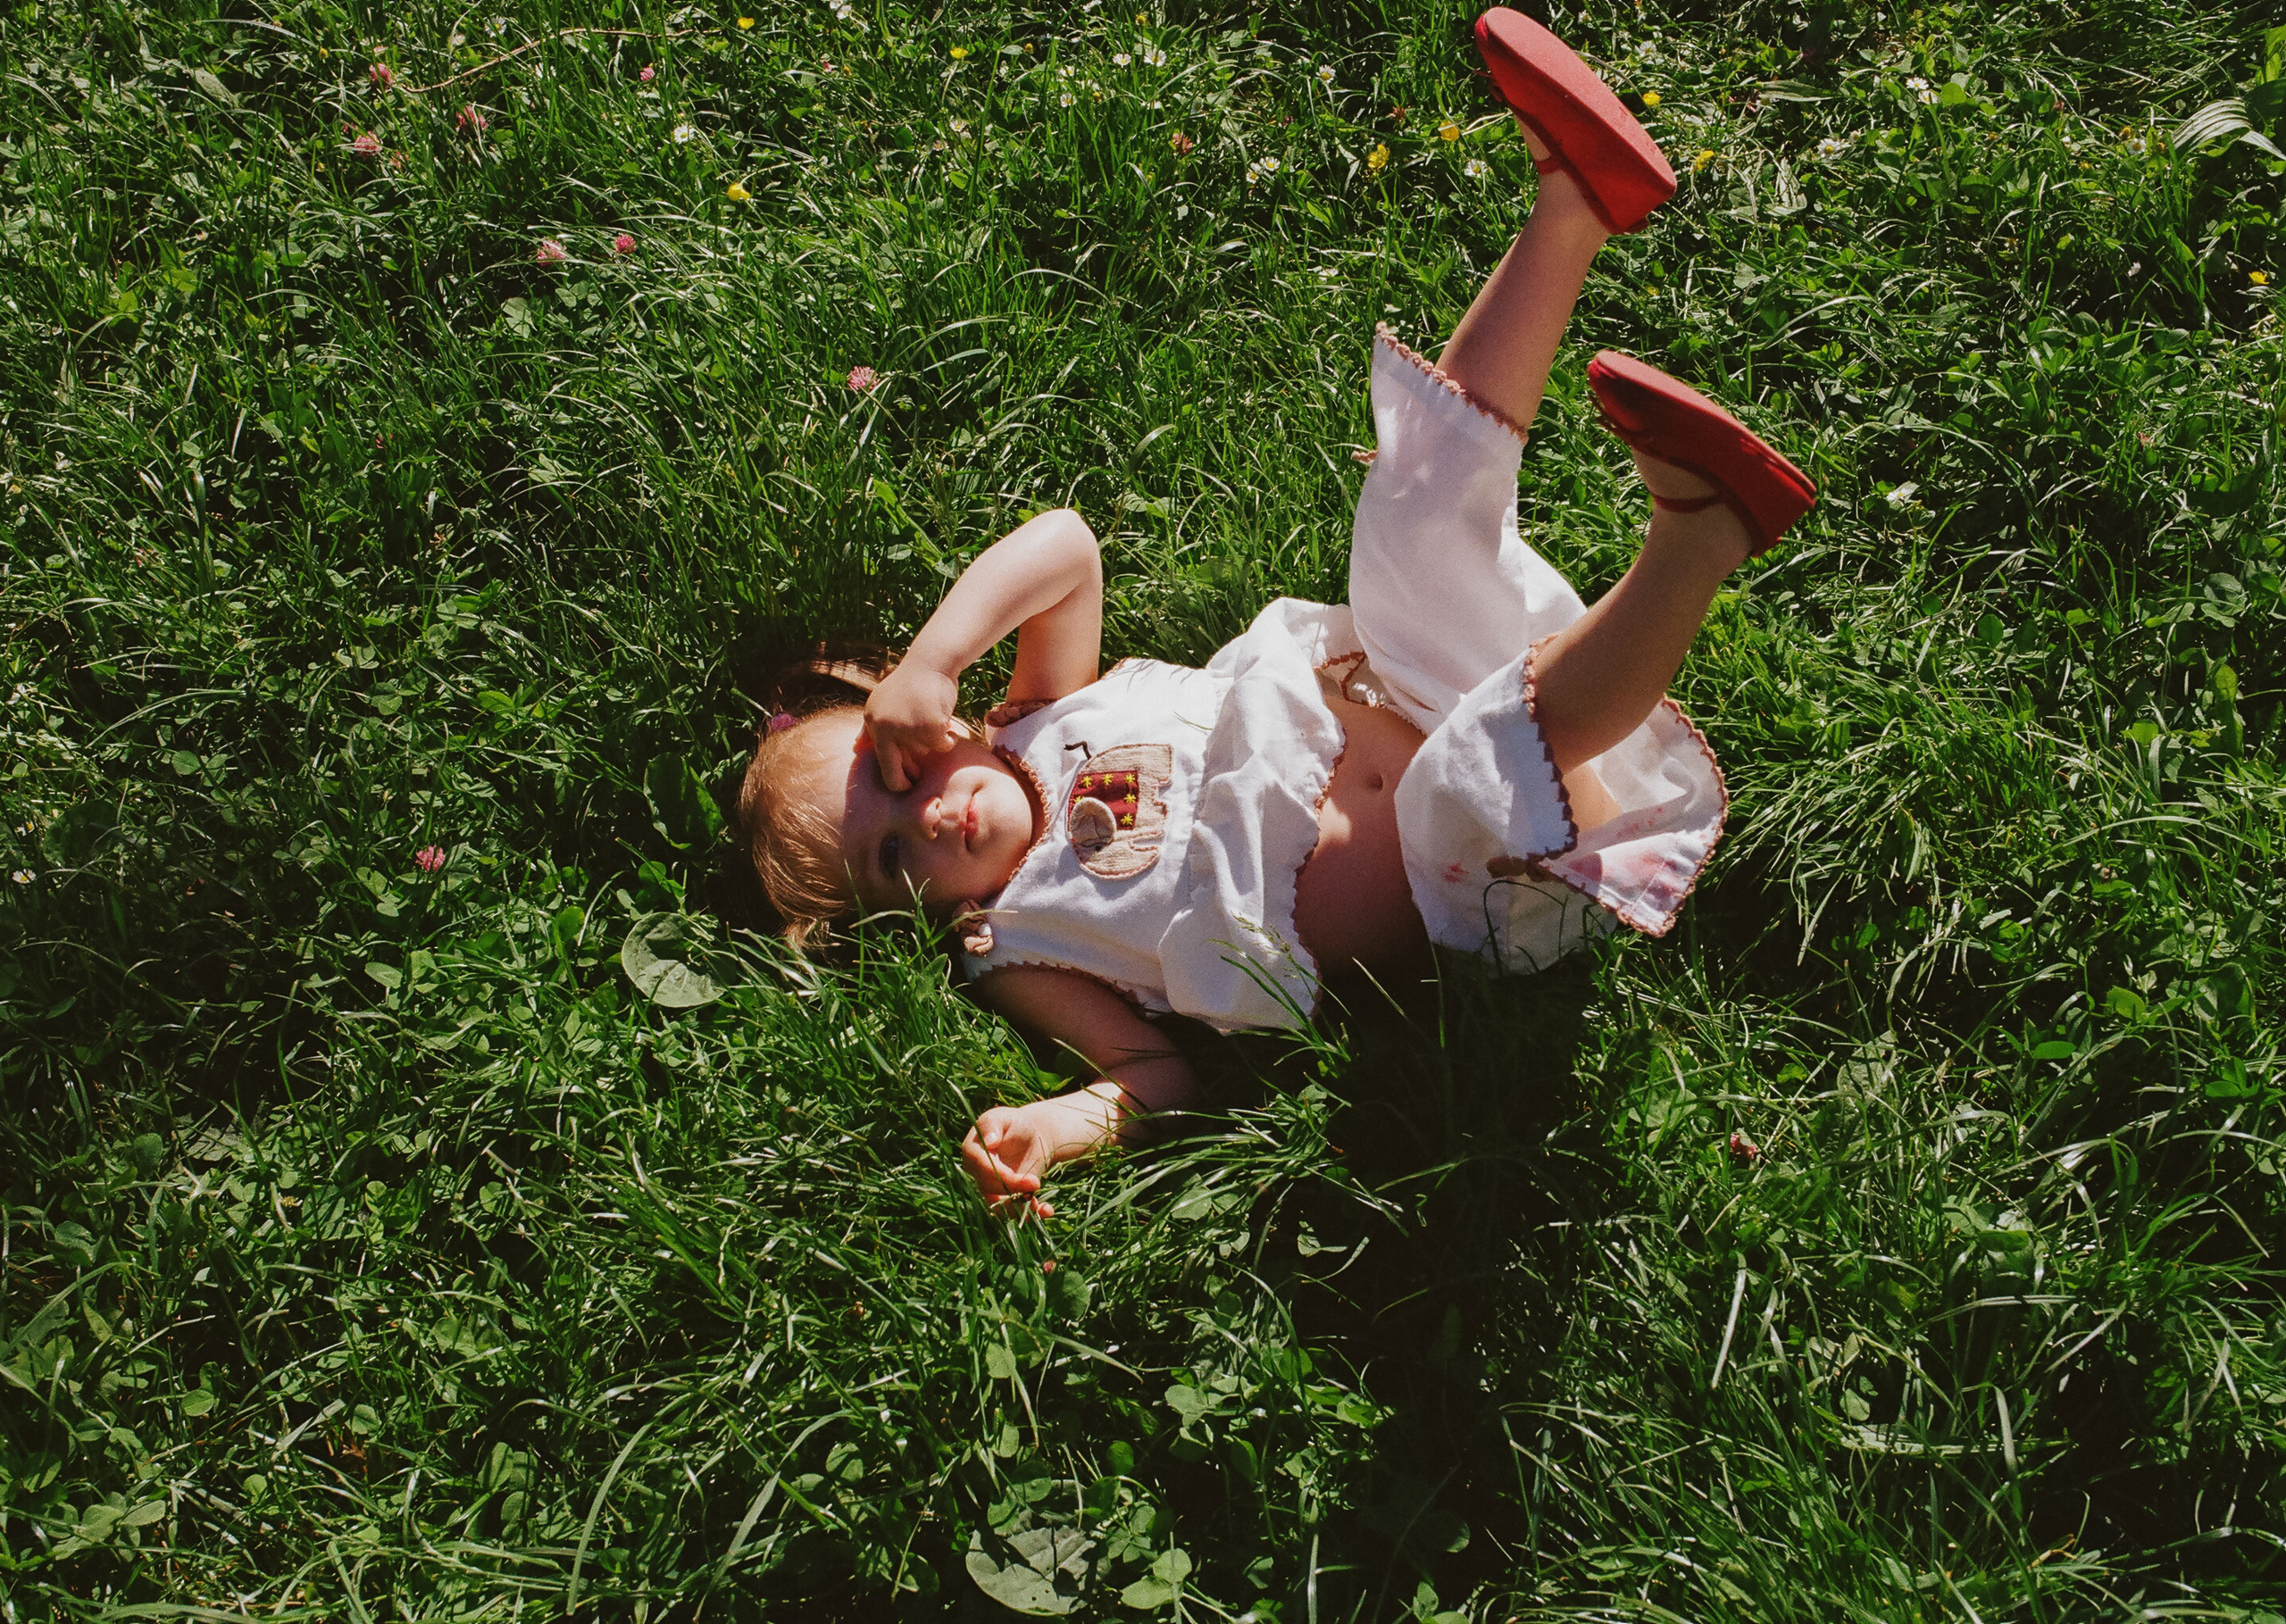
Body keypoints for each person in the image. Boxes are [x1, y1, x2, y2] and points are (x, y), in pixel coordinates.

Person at [734, 10, 1816, 1214]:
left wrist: (938, 654)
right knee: (1489, 752)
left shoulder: (1040, 707)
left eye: (896, 770)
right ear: (903, 918)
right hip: (1473, 867)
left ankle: (1575, 202)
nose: (928, 820)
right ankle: (1699, 535)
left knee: (1411, 509)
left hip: (1402, 685)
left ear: (919, 716)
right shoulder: (1016, 946)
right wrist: (1054, 1126)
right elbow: (1155, 1075)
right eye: (891, 860)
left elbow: (1068, 548)